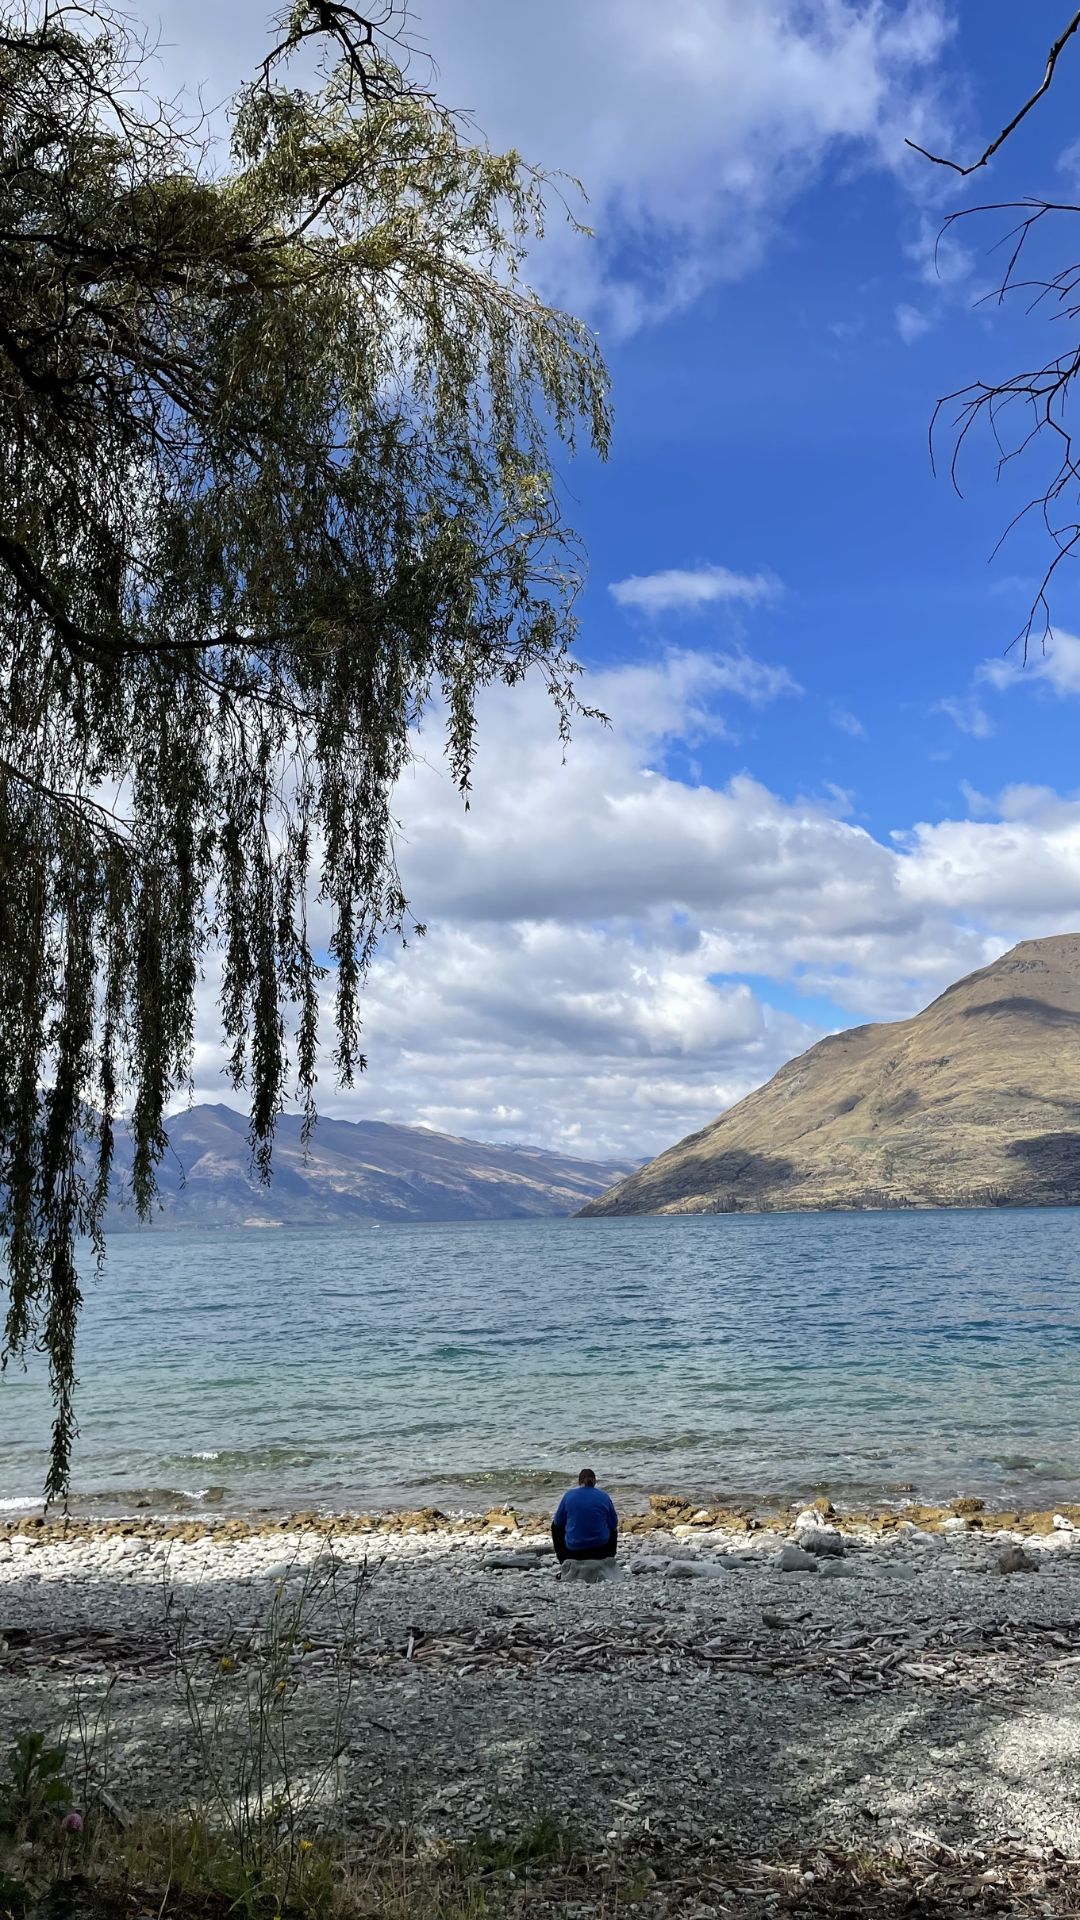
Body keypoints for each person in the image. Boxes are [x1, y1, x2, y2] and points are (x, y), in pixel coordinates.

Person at [551, 1467, 618, 1563]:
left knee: (555, 1526)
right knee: (611, 1526)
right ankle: (610, 1558)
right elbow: (614, 1524)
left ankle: (564, 1561)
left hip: (574, 1553)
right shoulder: (603, 1496)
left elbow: (557, 1522)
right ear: (595, 1481)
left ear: (579, 1482)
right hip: (601, 1551)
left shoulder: (569, 1495)